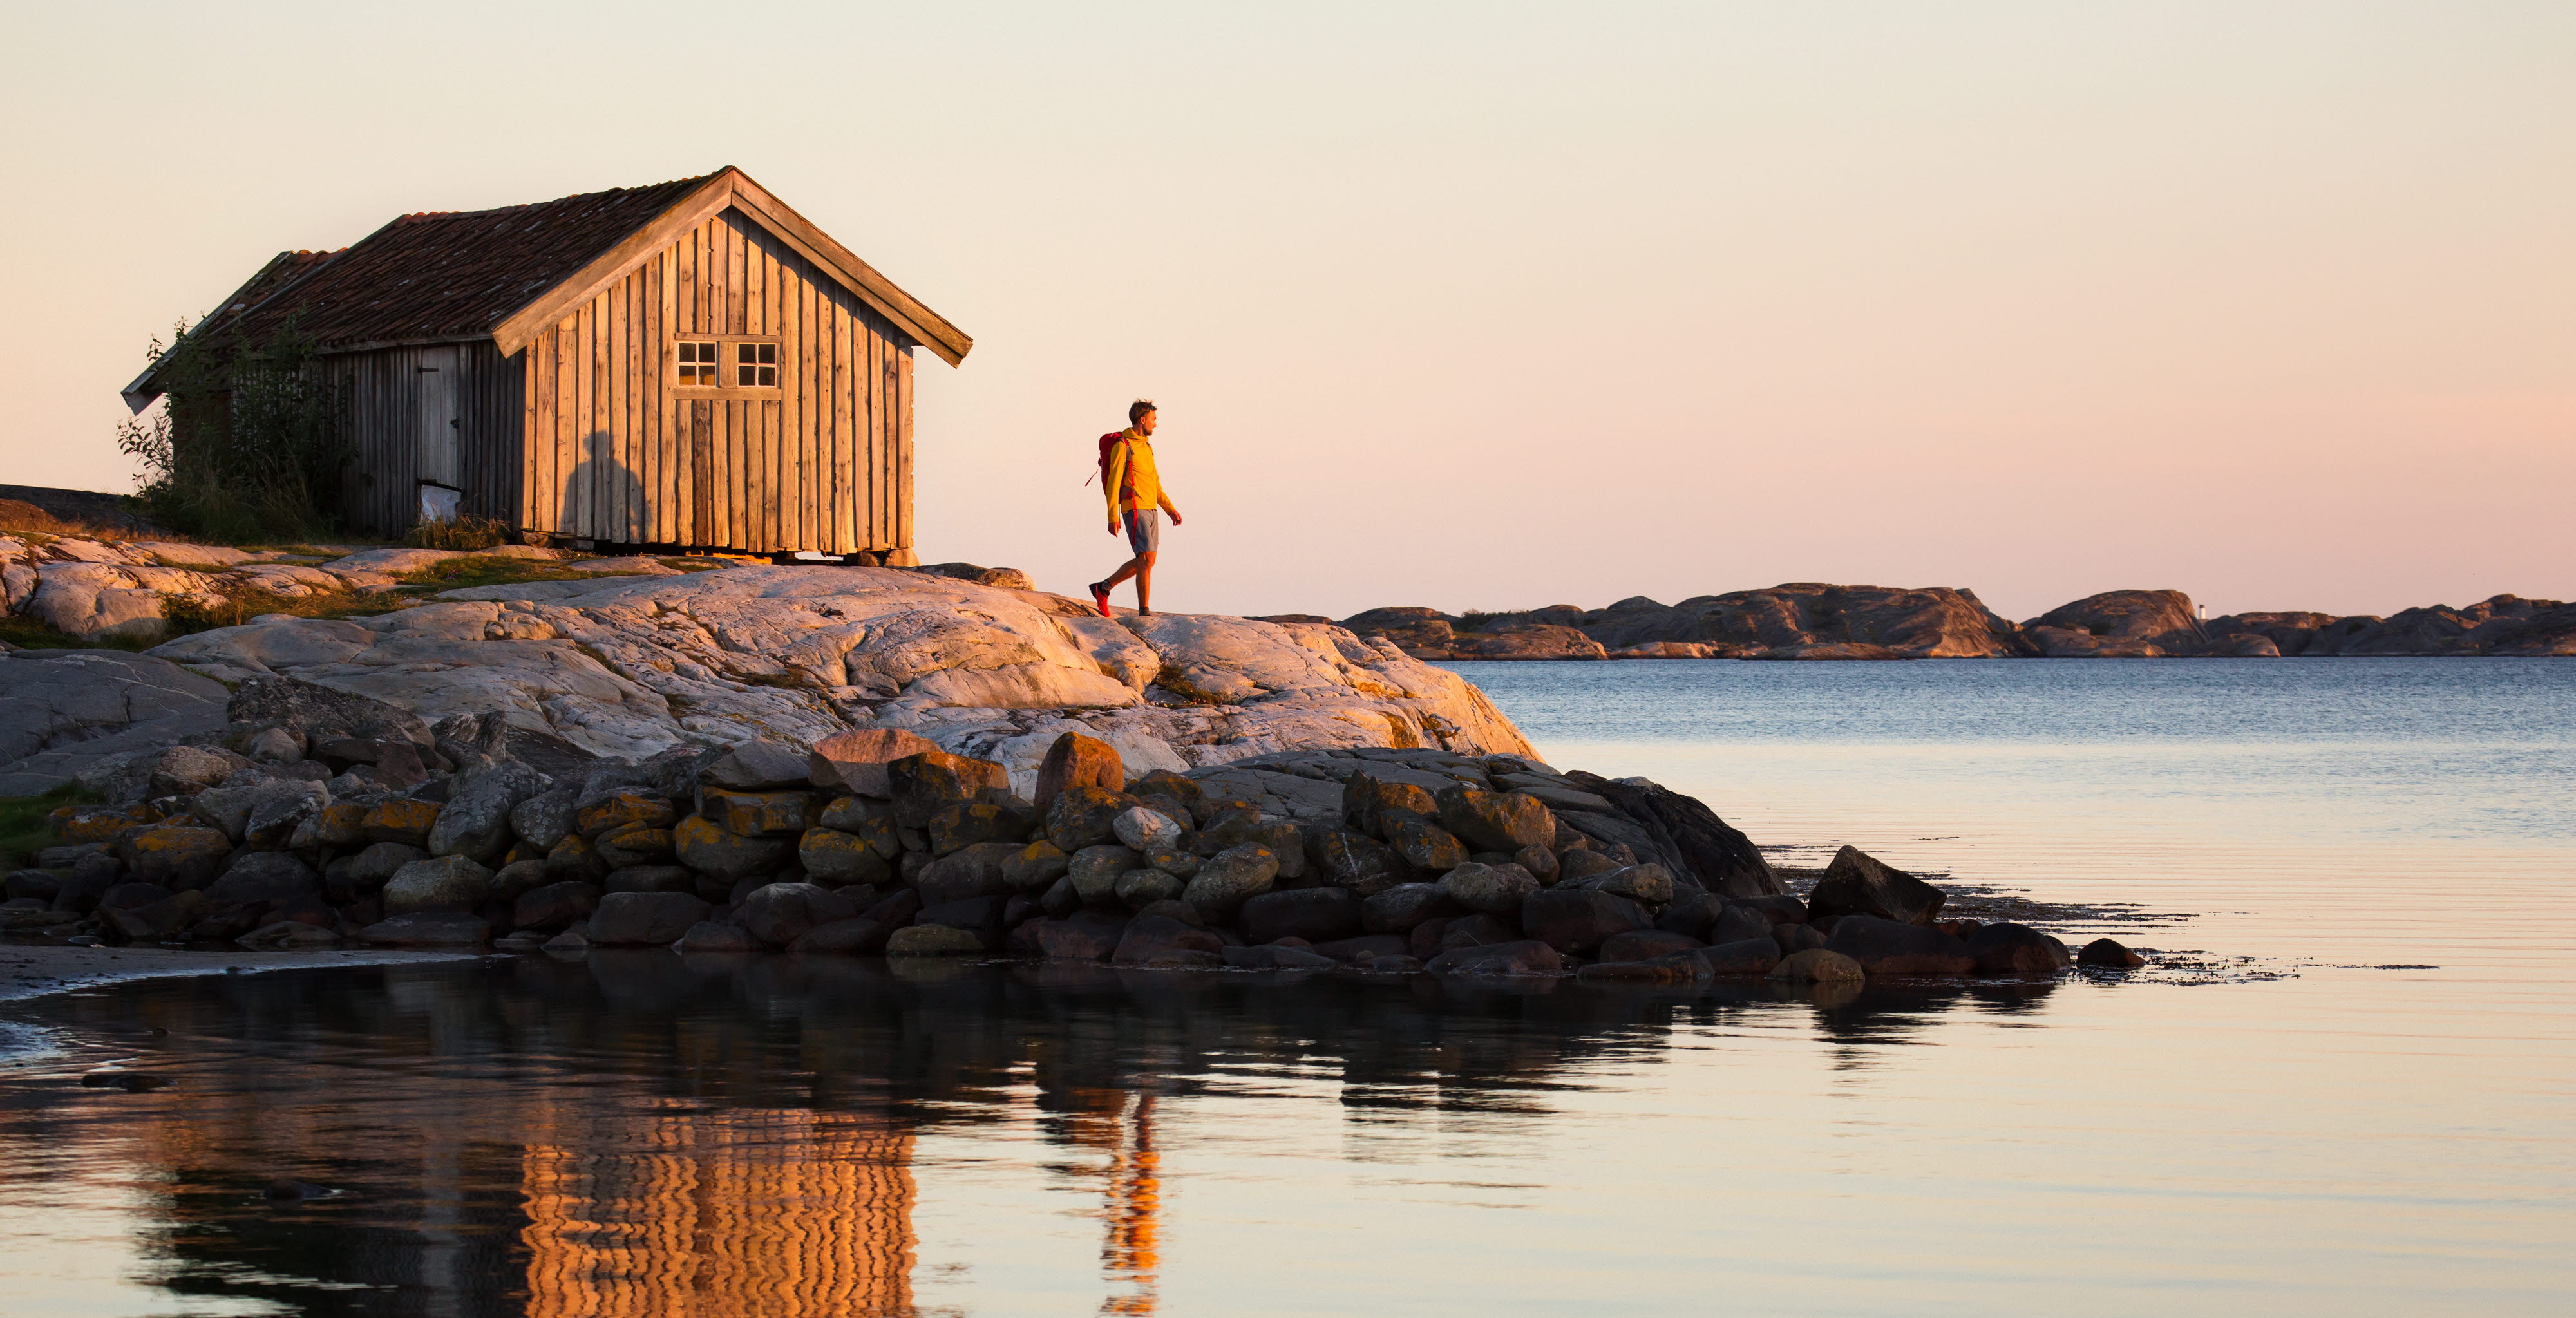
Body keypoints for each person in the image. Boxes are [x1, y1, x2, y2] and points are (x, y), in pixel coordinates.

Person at [1089, 399, 1183, 617]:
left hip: (1151, 508)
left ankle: (1103, 587)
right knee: (1146, 559)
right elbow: (1113, 484)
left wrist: (1169, 509)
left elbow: (1155, 483)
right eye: (1153, 419)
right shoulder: (1123, 446)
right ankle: (1144, 612)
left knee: (1148, 560)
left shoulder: (1147, 447)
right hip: (1134, 507)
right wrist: (1112, 516)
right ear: (1142, 420)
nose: (1156, 424)